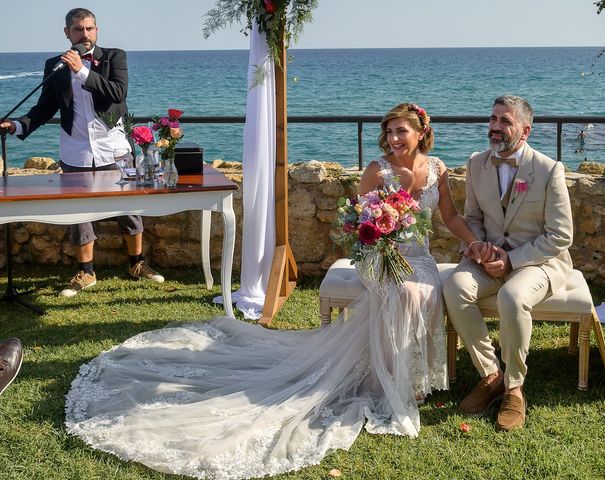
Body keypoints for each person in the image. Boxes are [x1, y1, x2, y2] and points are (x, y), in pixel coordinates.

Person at [64, 103, 486, 479]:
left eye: (402, 132)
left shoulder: (438, 169)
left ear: (420, 134)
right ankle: (391, 381)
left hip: (419, 256)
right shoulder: (377, 170)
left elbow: (448, 215)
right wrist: (378, 240)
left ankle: (413, 377)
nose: (394, 139)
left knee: (424, 290)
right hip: (377, 256)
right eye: (390, 131)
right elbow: (359, 226)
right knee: (404, 294)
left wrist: (473, 244)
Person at [0, 8, 163, 298]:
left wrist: (82, 70)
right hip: (75, 151)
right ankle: (86, 272)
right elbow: (45, 107)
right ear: (67, 33)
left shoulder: (114, 57)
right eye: (78, 29)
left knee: (129, 209)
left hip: (114, 148)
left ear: (97, 30)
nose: (85, 34)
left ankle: (136, 264)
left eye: (90, 29)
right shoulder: (55, 65)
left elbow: (117, 93)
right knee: (79, 214)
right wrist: (16, 125)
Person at [442, 95, 573, 432]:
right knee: (455, 286)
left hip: (538, 262)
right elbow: (471, 218)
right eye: (493, 119)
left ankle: (514, 387)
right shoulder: (475, 163)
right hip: (488, 259)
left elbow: (560, 235)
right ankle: (490, 375)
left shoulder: (548, 170)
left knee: (512, 297)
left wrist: (511, 260)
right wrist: (478, 248)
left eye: (505, 121)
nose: (495, 127)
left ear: (525, 130)